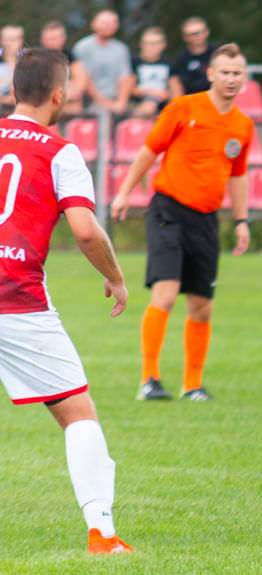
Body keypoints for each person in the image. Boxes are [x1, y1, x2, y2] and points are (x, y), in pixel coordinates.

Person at [0, 48, 131, 553]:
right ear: (60, 95)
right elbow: (85, 230)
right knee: (77, 412)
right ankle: (102, 532)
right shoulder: (61, 152)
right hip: (17, 298)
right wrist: (115, 276)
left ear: (13, 91)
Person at [111, 43, 253, 402]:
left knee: (202, 305)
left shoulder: (242, 125)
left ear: (244, 77)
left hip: (206, 220)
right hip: (168, 211)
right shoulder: (183, 108)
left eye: (237, 73)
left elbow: (238, 175)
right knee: (166, 293)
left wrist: (241, 220)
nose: (231, 79)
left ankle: (193, 385)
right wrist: (124, 192)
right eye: (225, 72)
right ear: (211, 74)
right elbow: (149, 151)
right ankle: (149, 380)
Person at [72, 10, 134, 114]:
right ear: (94, 24)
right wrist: (105, 103)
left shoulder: (121, 49)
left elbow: (126, 77)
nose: (107, 26)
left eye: (111, 23)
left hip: (116, 100)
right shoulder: (82, 47)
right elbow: (83, 79)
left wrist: (121, 102)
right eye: (104, 23)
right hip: (89, 101)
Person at [39, 20, 88, 114]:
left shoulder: (71, 57)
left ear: (63, 38)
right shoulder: (36, 59)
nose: (52, 42)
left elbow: (81, 83)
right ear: (42, 40)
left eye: (55, 38)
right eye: (49, 38)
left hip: (69, 106)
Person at [169, 17, 216, 98]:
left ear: (207, 32)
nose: (195, 37)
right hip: (190, 101)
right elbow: (175, 87)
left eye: (197, 33)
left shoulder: (219, 54)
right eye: (190, 35)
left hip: (217, 100)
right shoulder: (179, 60)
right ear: (184, 37)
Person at [130, 26, 171, 117]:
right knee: (149, 107)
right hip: (138, 101)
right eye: (148, 43)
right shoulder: (134, 62)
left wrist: (168, 96)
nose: (151, 47)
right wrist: (153, 92)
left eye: (156, 43)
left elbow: (176, 89)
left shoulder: (169, 63)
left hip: (163, 103)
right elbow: (130, 89)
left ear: (163, 44)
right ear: (141, 44)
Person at [0, 25, 24, 106]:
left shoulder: (29, 64)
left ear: (20, 41)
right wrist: (4, 99)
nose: (8, 43)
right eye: (6, 39)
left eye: (13, 39)